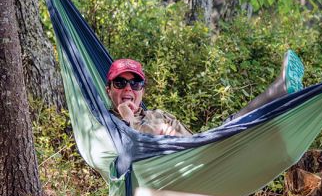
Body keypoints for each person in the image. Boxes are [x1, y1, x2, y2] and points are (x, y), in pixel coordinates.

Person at [106, 50, 304, 135]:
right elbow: (128, 152)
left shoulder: (157, 114)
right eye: (120, 82)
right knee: (229, 131)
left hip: (195, 152)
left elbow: (191, 141)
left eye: (136, 83)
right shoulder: (105, 122)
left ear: (142, 91)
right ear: (109, 90)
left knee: (228, 131)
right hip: (174, 166)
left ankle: (286, 95)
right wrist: (127, 118)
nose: (128, 88)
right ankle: (279, 91)